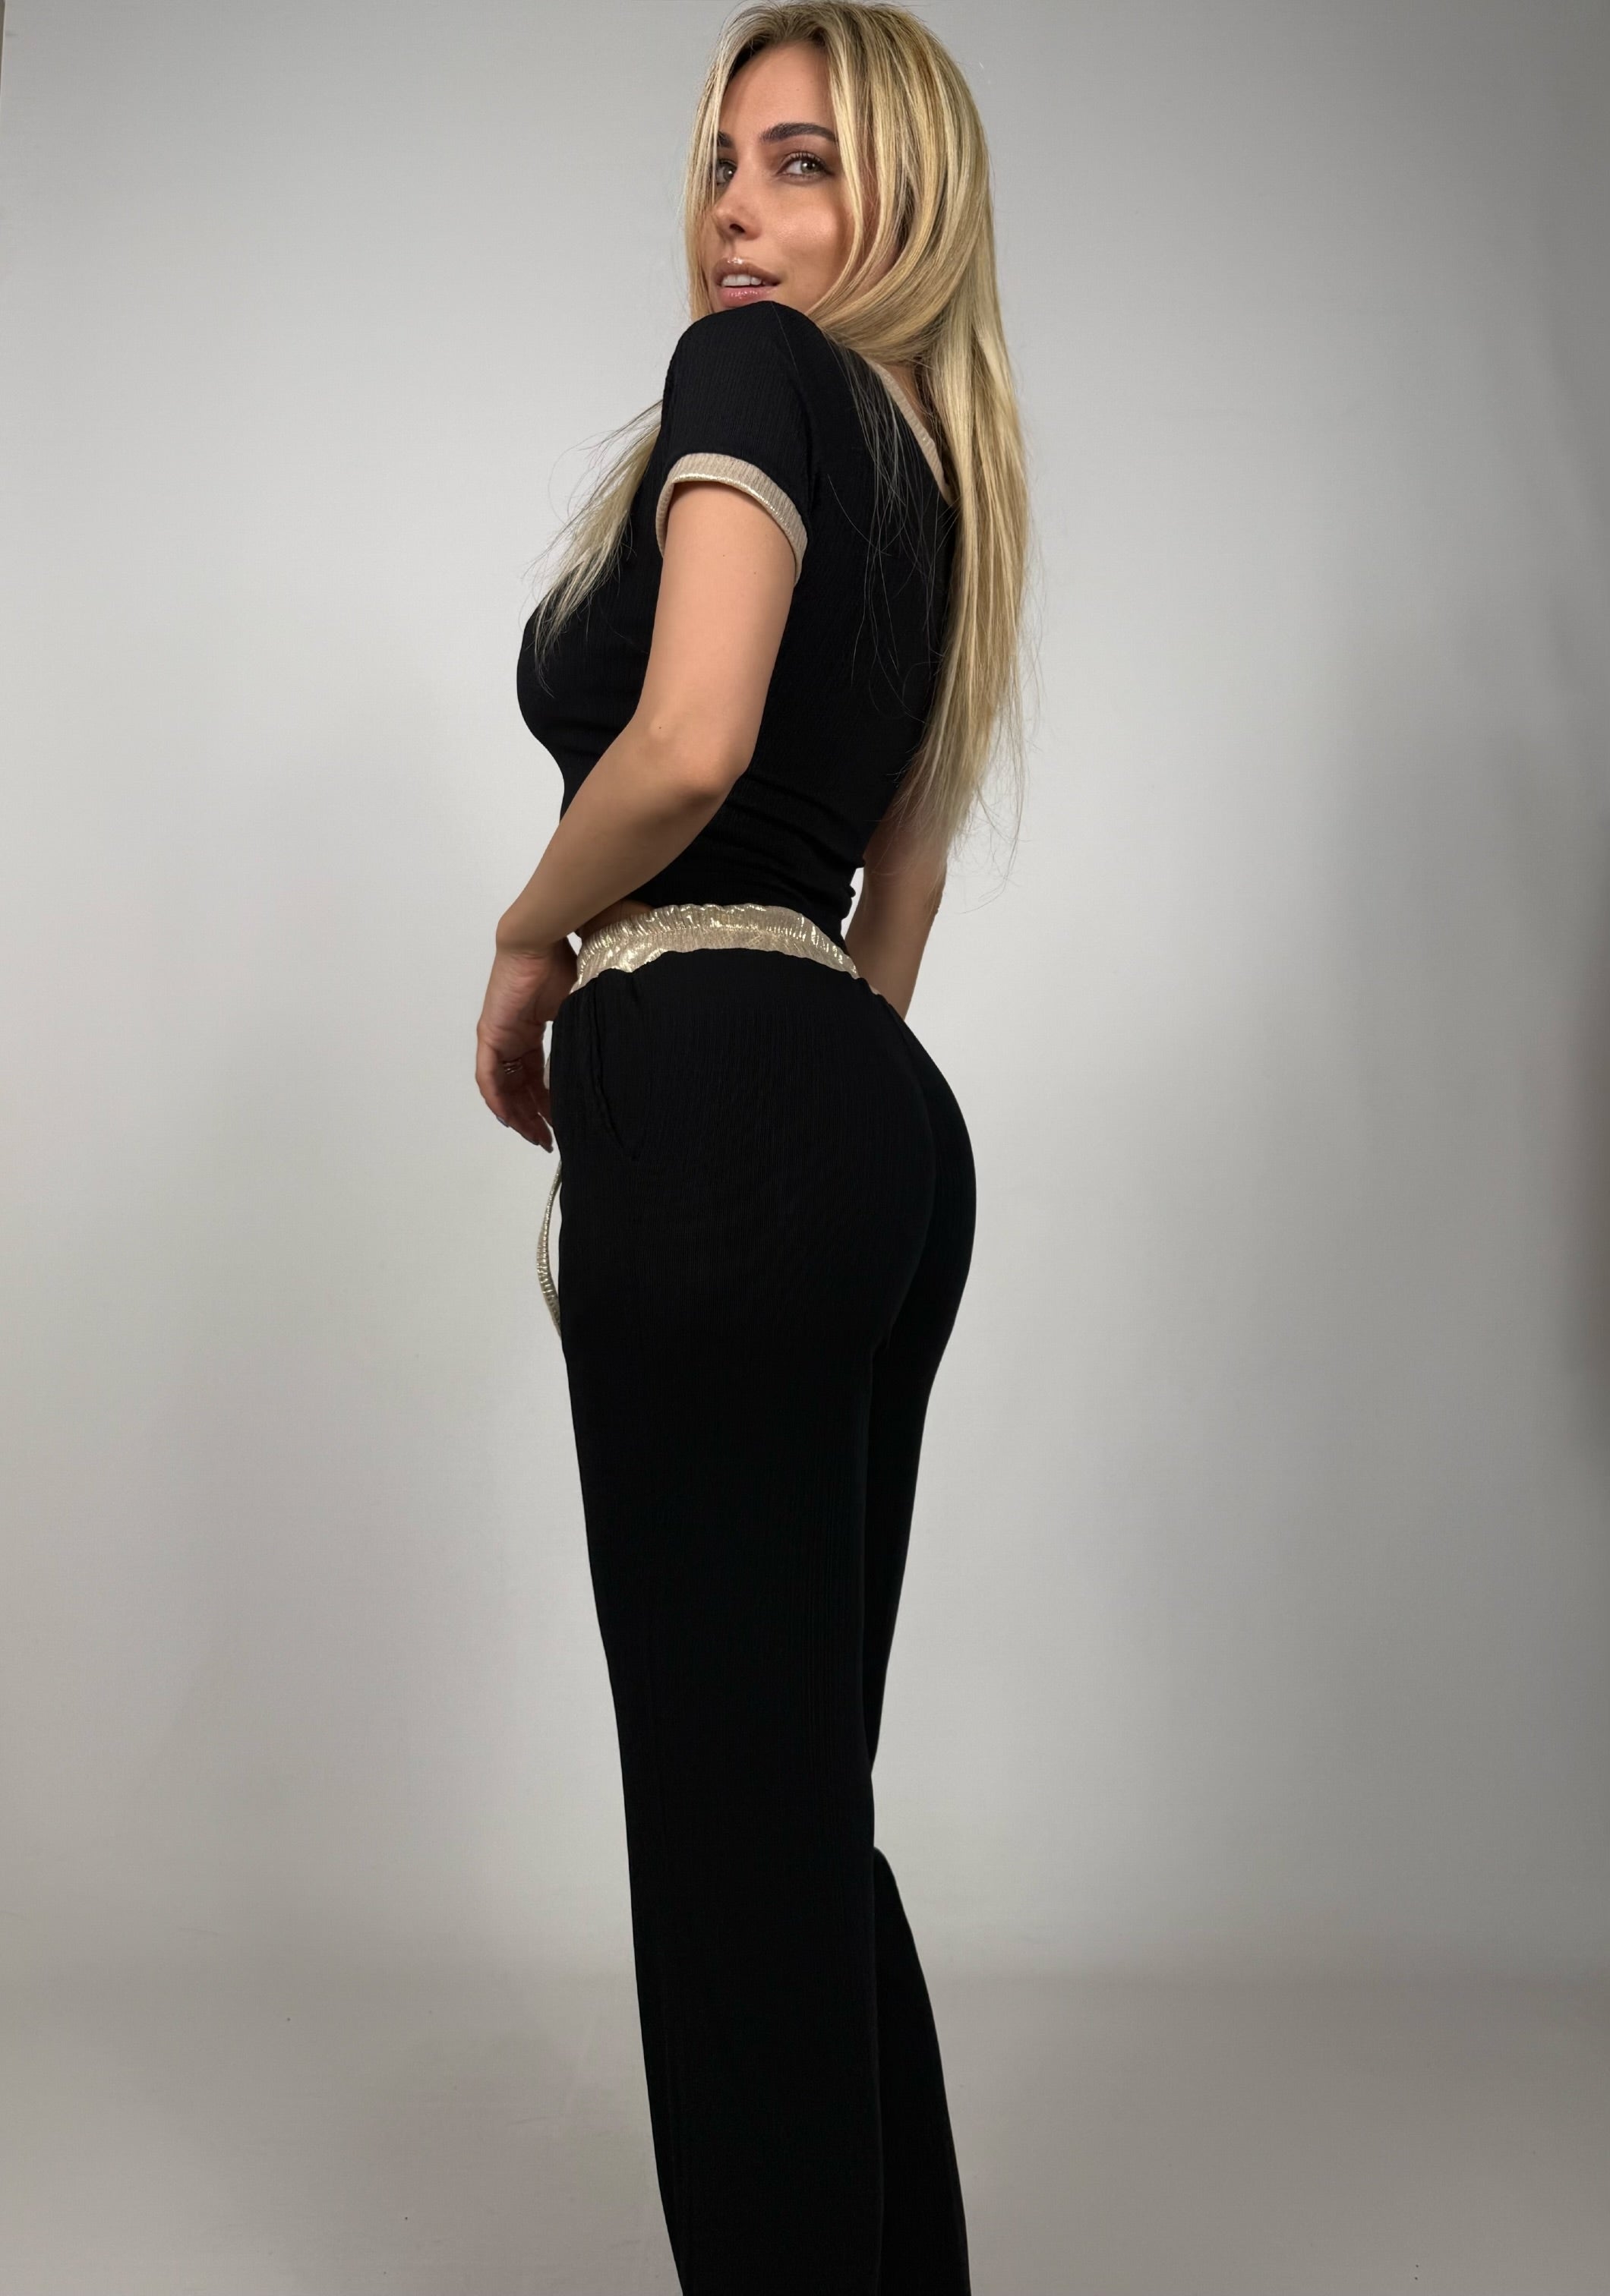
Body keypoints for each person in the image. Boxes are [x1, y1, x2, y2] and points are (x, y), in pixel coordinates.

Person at [475, 6, 1029, 2288]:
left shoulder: (757, 380)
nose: (737, 211)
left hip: (722, 1089)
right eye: (722, 163)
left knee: (725, 1841)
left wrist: (531, 948)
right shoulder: (949, 483)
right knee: (796, 1810)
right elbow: (899, 892)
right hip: (874, 1122)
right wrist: (813, 1134)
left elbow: (689, 743)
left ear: (907, 194)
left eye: (799, 161)